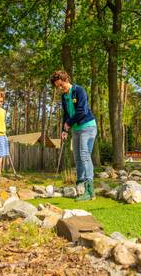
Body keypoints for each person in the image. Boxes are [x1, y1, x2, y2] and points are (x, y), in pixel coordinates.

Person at [50, 70, 97, 201]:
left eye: (61, 85)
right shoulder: (64, 96)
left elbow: (82, 110)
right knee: (77, 157)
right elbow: (66, 114)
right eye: (57, 87)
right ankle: (80, 187)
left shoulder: (79, 91)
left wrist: (69, 123)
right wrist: (64, 130)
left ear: (66, 80)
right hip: (76, 129)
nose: (60, 88)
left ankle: (90, 191)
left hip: (87, 126)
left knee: (84, 155)